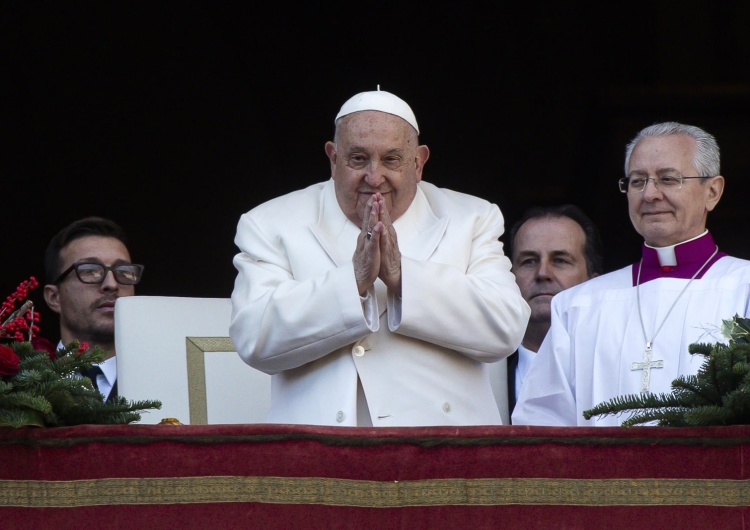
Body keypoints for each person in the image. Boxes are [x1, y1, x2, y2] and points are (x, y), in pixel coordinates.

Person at [230, 88, 530, 427]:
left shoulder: (472, 217)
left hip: (445, 444)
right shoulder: (271, 222)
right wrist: (353, 282)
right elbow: (254, 337)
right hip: (321, 447)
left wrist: (402, 276)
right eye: (358, 159)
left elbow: (506, 328)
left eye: (391, 160)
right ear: (332, 158)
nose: (374, 178)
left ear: (418, 163)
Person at [513, 121, 750, 426]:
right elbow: (542, 424)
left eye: (668, 179)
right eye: (637, 181)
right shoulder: (577, 306)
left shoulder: (744, 288)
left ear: (712, 192)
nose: (650, 194)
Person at [496, 204, 603, 421]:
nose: (542, 273)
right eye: (529, 261)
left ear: (594, 282)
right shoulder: (482, 373)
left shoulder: (614, 368)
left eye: (560, 260)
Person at [42, 217, 144, 403]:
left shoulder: (168, 376)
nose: (111, 284)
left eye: (124, 271)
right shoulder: (19, 385)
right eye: (90, 270)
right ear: (54, 297)